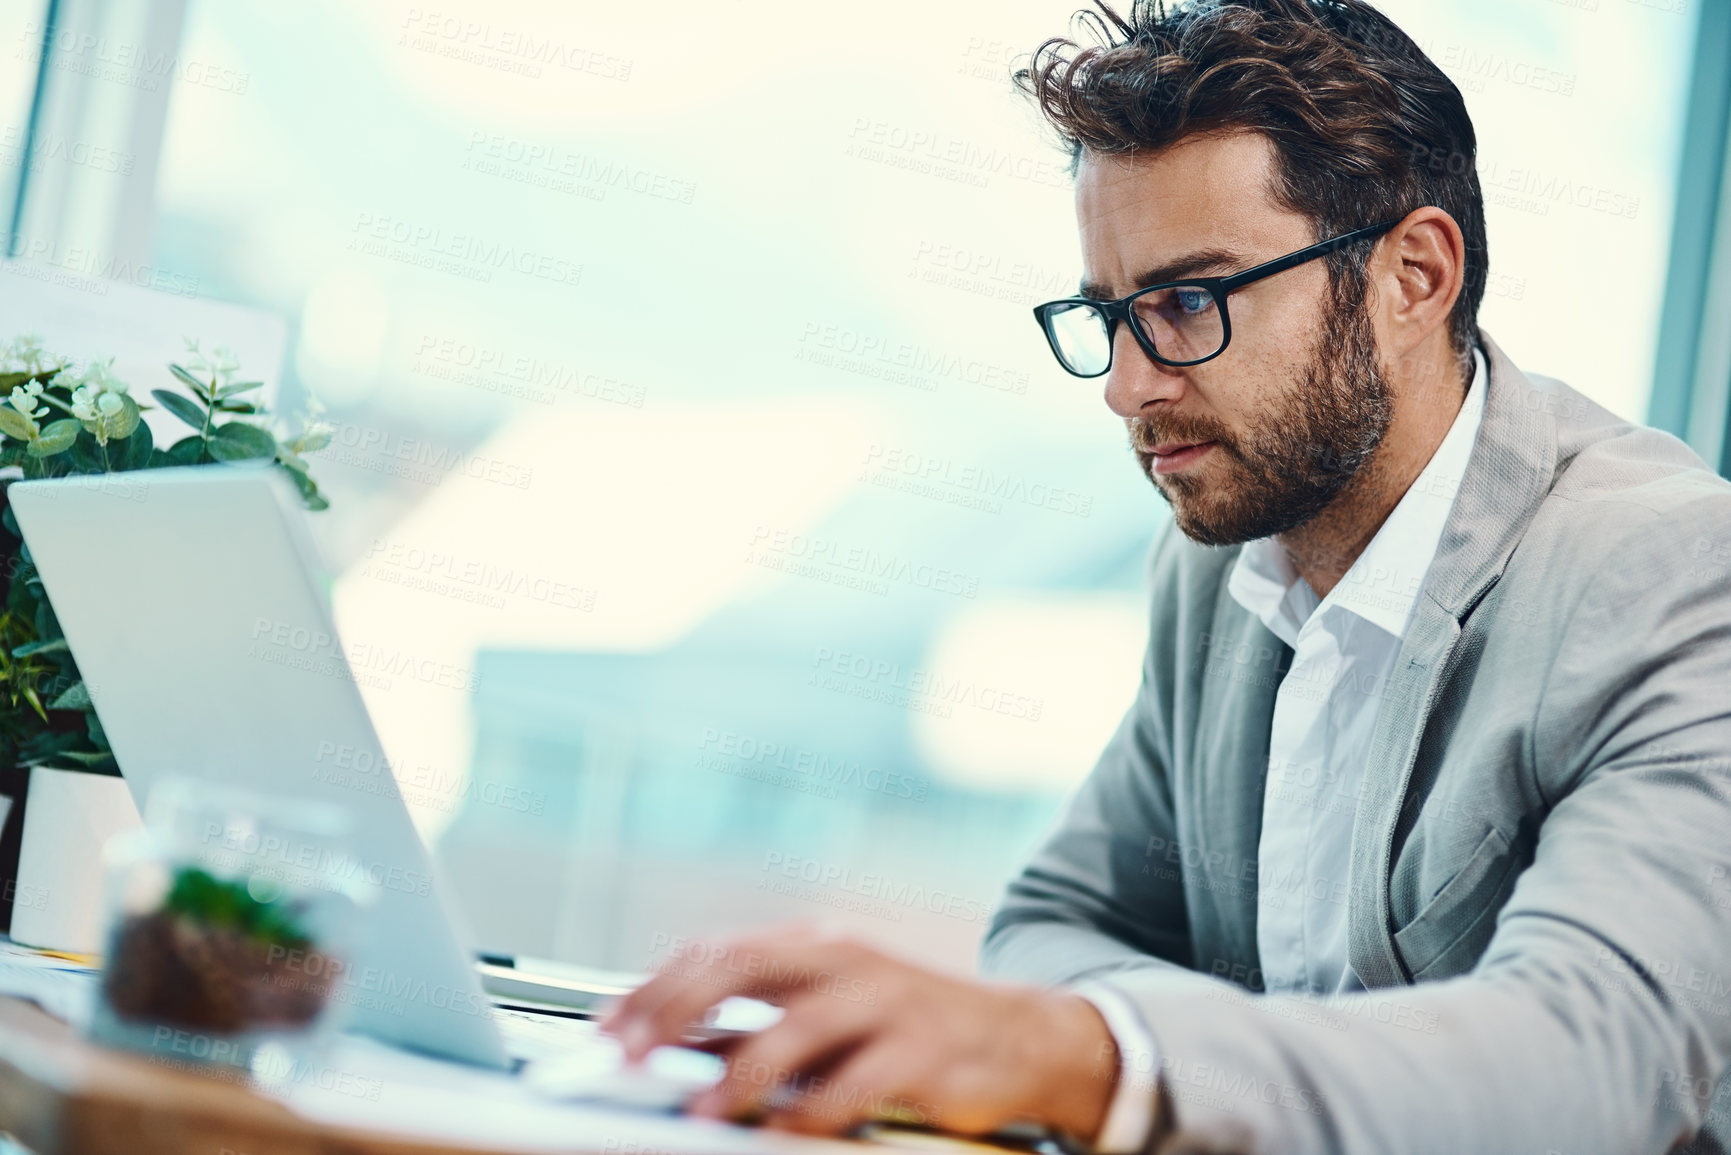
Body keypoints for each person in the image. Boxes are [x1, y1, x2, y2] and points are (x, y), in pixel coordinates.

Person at [601, 2, 1731, 1151]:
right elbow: (1059, 922)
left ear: (1413, 278)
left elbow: (1596, 1061)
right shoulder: (1223, 562)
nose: (1128, 388)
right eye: (1109, 315)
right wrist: (1137, 1057)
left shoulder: (1674, 577)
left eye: (1188, 302)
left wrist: (1111, 1059)